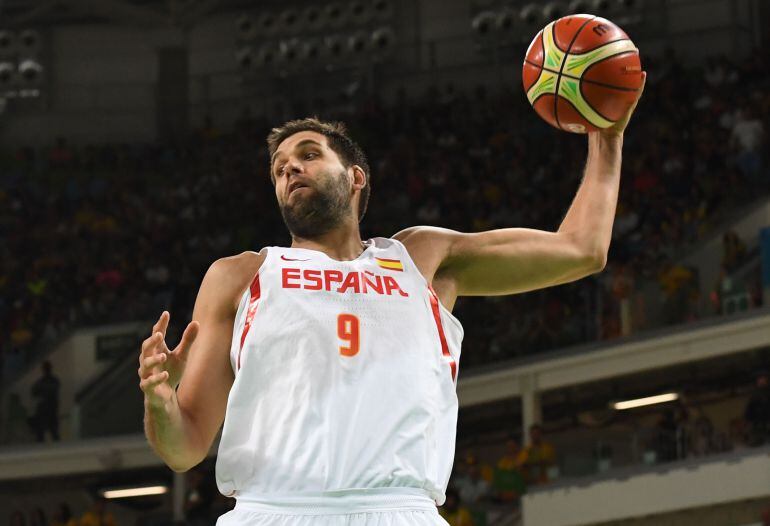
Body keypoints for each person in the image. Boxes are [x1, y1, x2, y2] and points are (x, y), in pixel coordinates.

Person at [139, 75, 645, 525]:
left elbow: (581, 250)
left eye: (309, 155)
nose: (290, 169)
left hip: (402, 513)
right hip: (273, 510)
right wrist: (161, 404)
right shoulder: (239, 277)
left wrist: (608, 137)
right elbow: (184, 449)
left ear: (356, 176)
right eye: (279, 168)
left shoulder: (422, 258)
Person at [27, 361, 61, 442]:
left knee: (51, 430)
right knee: (45, 431)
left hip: (49, 407)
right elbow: (34, 391)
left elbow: (36, 391)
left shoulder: (49, 381)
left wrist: (43, 392)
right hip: (47, 408)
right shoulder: (47, 381)